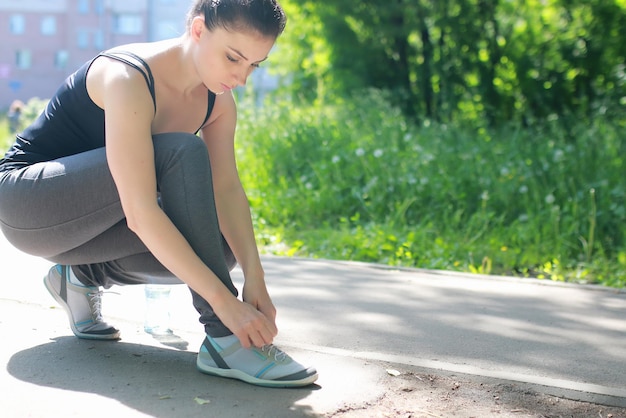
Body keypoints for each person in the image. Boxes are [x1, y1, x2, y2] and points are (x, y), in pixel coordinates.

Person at [0, 0, 317, 388]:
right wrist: (226, 307)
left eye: (254, 64)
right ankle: (225, 342)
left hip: (94, 227)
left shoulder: (218, 101)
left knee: (222, 247)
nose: (242, 78)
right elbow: (140, 210)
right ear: (199, 30)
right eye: (234, 58)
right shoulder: (128, 78)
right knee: (179, 151)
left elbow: (227, 190)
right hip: (28, 204)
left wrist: (255, 277)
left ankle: (82, 275)